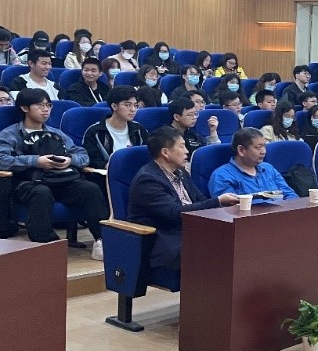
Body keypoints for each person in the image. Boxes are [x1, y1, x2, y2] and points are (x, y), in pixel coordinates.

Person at [0, 89, 108, 256]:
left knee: (90, 189)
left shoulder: (56, 133)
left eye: (48, 105)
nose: (46, 109)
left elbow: (83, 155)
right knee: (41, 192)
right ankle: (46, 246)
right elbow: (3, 160)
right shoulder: (10, 134)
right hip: (28, 182)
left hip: (61, 179)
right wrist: (36, 161)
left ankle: (101, 241)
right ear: (24, 108)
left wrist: (69, 160)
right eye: (40, 105)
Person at [128, 126, 239, 271]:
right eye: (181, 146)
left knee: (239, 241)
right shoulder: (147, 180)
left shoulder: (181, 172)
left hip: (192, 231)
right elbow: (174, 213)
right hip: (165, 240)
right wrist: (218, 201)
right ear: (165, 152)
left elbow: (200, 200)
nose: (187, 151)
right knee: (218, 251)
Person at [208, 127, 297, 199]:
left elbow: (290, 195)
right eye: (258, 148)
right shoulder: (222, 176)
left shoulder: (268, 168)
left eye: (264, 146)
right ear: (241, 150)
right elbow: (230, 210)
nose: (264, 152)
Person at [82, 86, 148, 169]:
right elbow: (93, 161)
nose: (133, 109)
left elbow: (148, 153)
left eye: (135, 105)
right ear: (114, 106)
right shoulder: (95, 132)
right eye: (128, 105)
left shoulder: (138, 129)